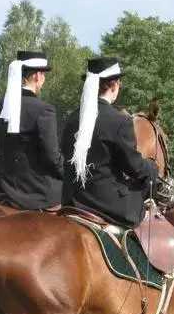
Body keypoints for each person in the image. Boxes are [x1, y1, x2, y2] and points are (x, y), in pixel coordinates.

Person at [61, 57, 159, 228]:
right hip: (104, 203)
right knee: (144, 191)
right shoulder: (120, 121)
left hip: (71, 198)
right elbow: (134, 168)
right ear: (114, 86)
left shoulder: (72, 118)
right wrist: (152, 167)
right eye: (119, 84)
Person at [0, 50, 64, 211]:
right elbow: (52, 158)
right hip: (38, 195)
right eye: (43, 75)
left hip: (4, 194)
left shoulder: (0, 108)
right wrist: (68, 175)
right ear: (37, 76)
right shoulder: (44, 110)